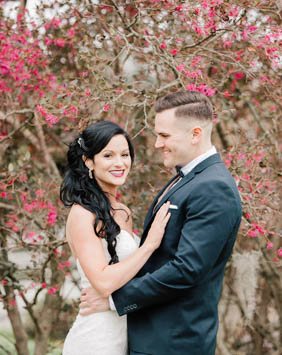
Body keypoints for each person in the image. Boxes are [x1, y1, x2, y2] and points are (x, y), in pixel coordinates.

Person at [79, 91, 242, 355]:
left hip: (173, 342)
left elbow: (186, 270)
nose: (156, 144)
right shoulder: (188, 178)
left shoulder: (213, 187)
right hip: (150, 337)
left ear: (195, 134)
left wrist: (114, 300)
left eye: (164, 135)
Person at [60, 121, 171, 355]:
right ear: (88, 161)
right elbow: (103, 282)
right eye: (108, 155)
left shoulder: (123, 213)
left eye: (125, 154)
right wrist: (149, 245)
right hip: (95, 339)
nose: (120, 163)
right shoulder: (82, 215)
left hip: (124, 334)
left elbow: (130, 274)